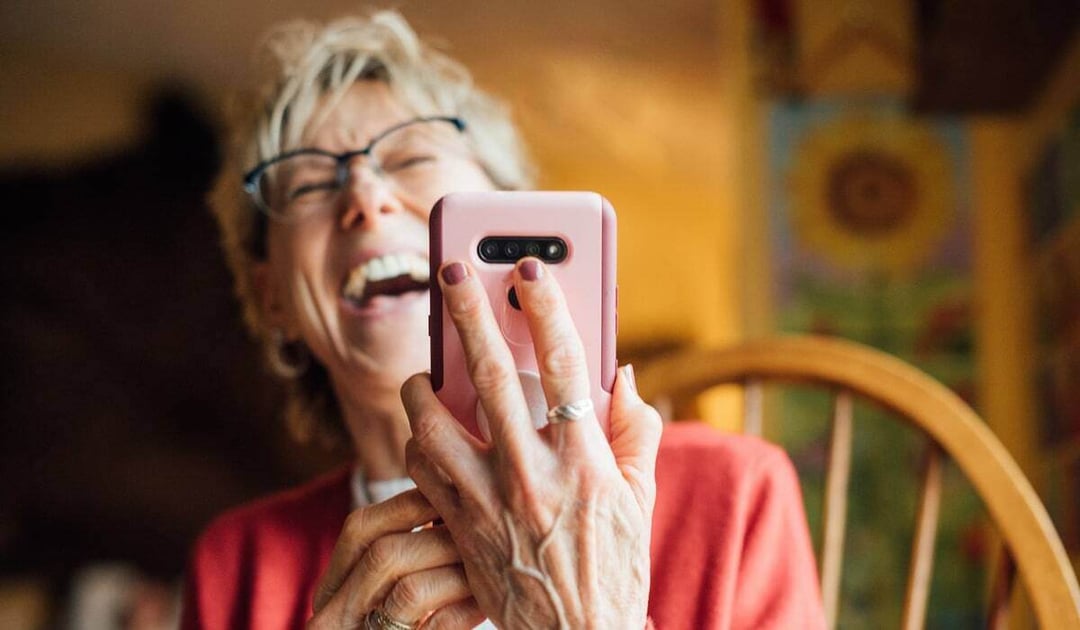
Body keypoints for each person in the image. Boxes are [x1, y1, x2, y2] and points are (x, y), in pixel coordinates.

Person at [181, 10, 825, 630]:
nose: (365, 198)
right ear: (273, 301)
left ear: (518, 226)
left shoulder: (735, 495)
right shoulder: (234, 563)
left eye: (409, 158)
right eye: (309, 186)